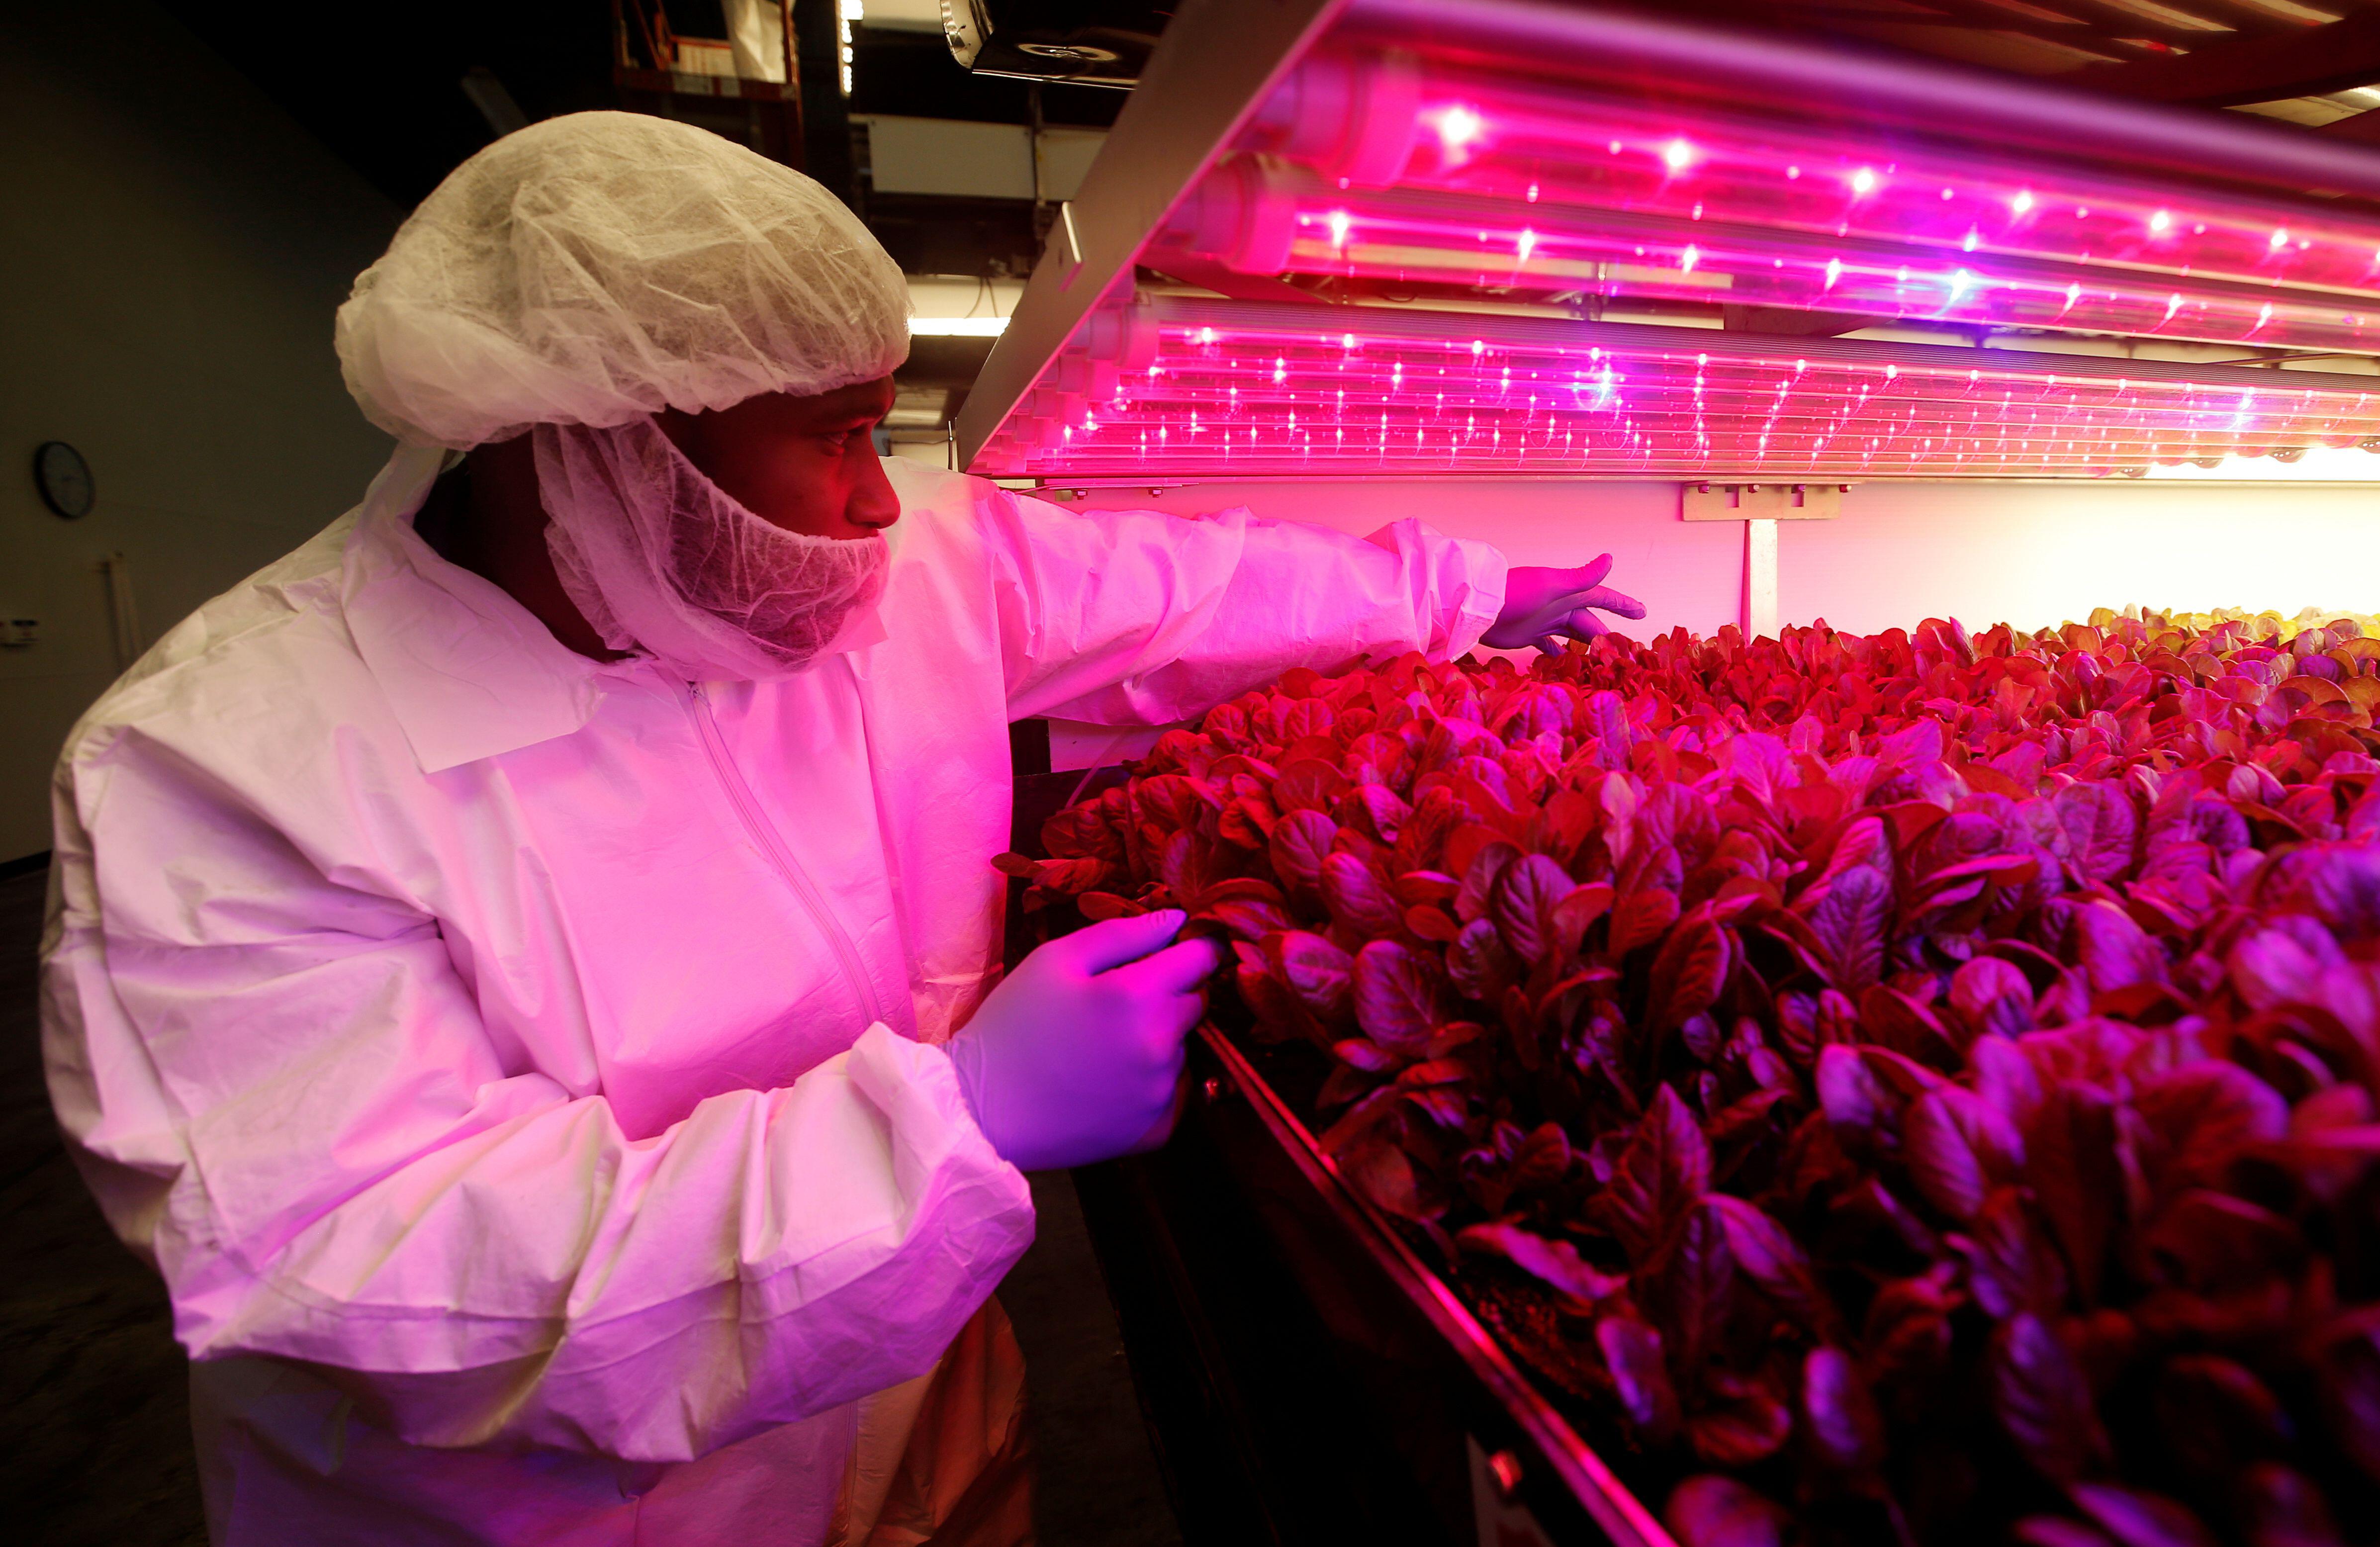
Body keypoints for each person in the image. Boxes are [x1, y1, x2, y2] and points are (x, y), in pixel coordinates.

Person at [39, 111, 1643, 1546]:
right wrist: (957, 1127)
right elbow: (397, 1286)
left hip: (917, 1423)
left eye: (880, 427)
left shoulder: (872, 577)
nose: (882, 502)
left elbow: (1170, 589)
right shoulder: (225, 773)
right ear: (594, 443)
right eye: (830, 437)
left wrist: (1457, 594)